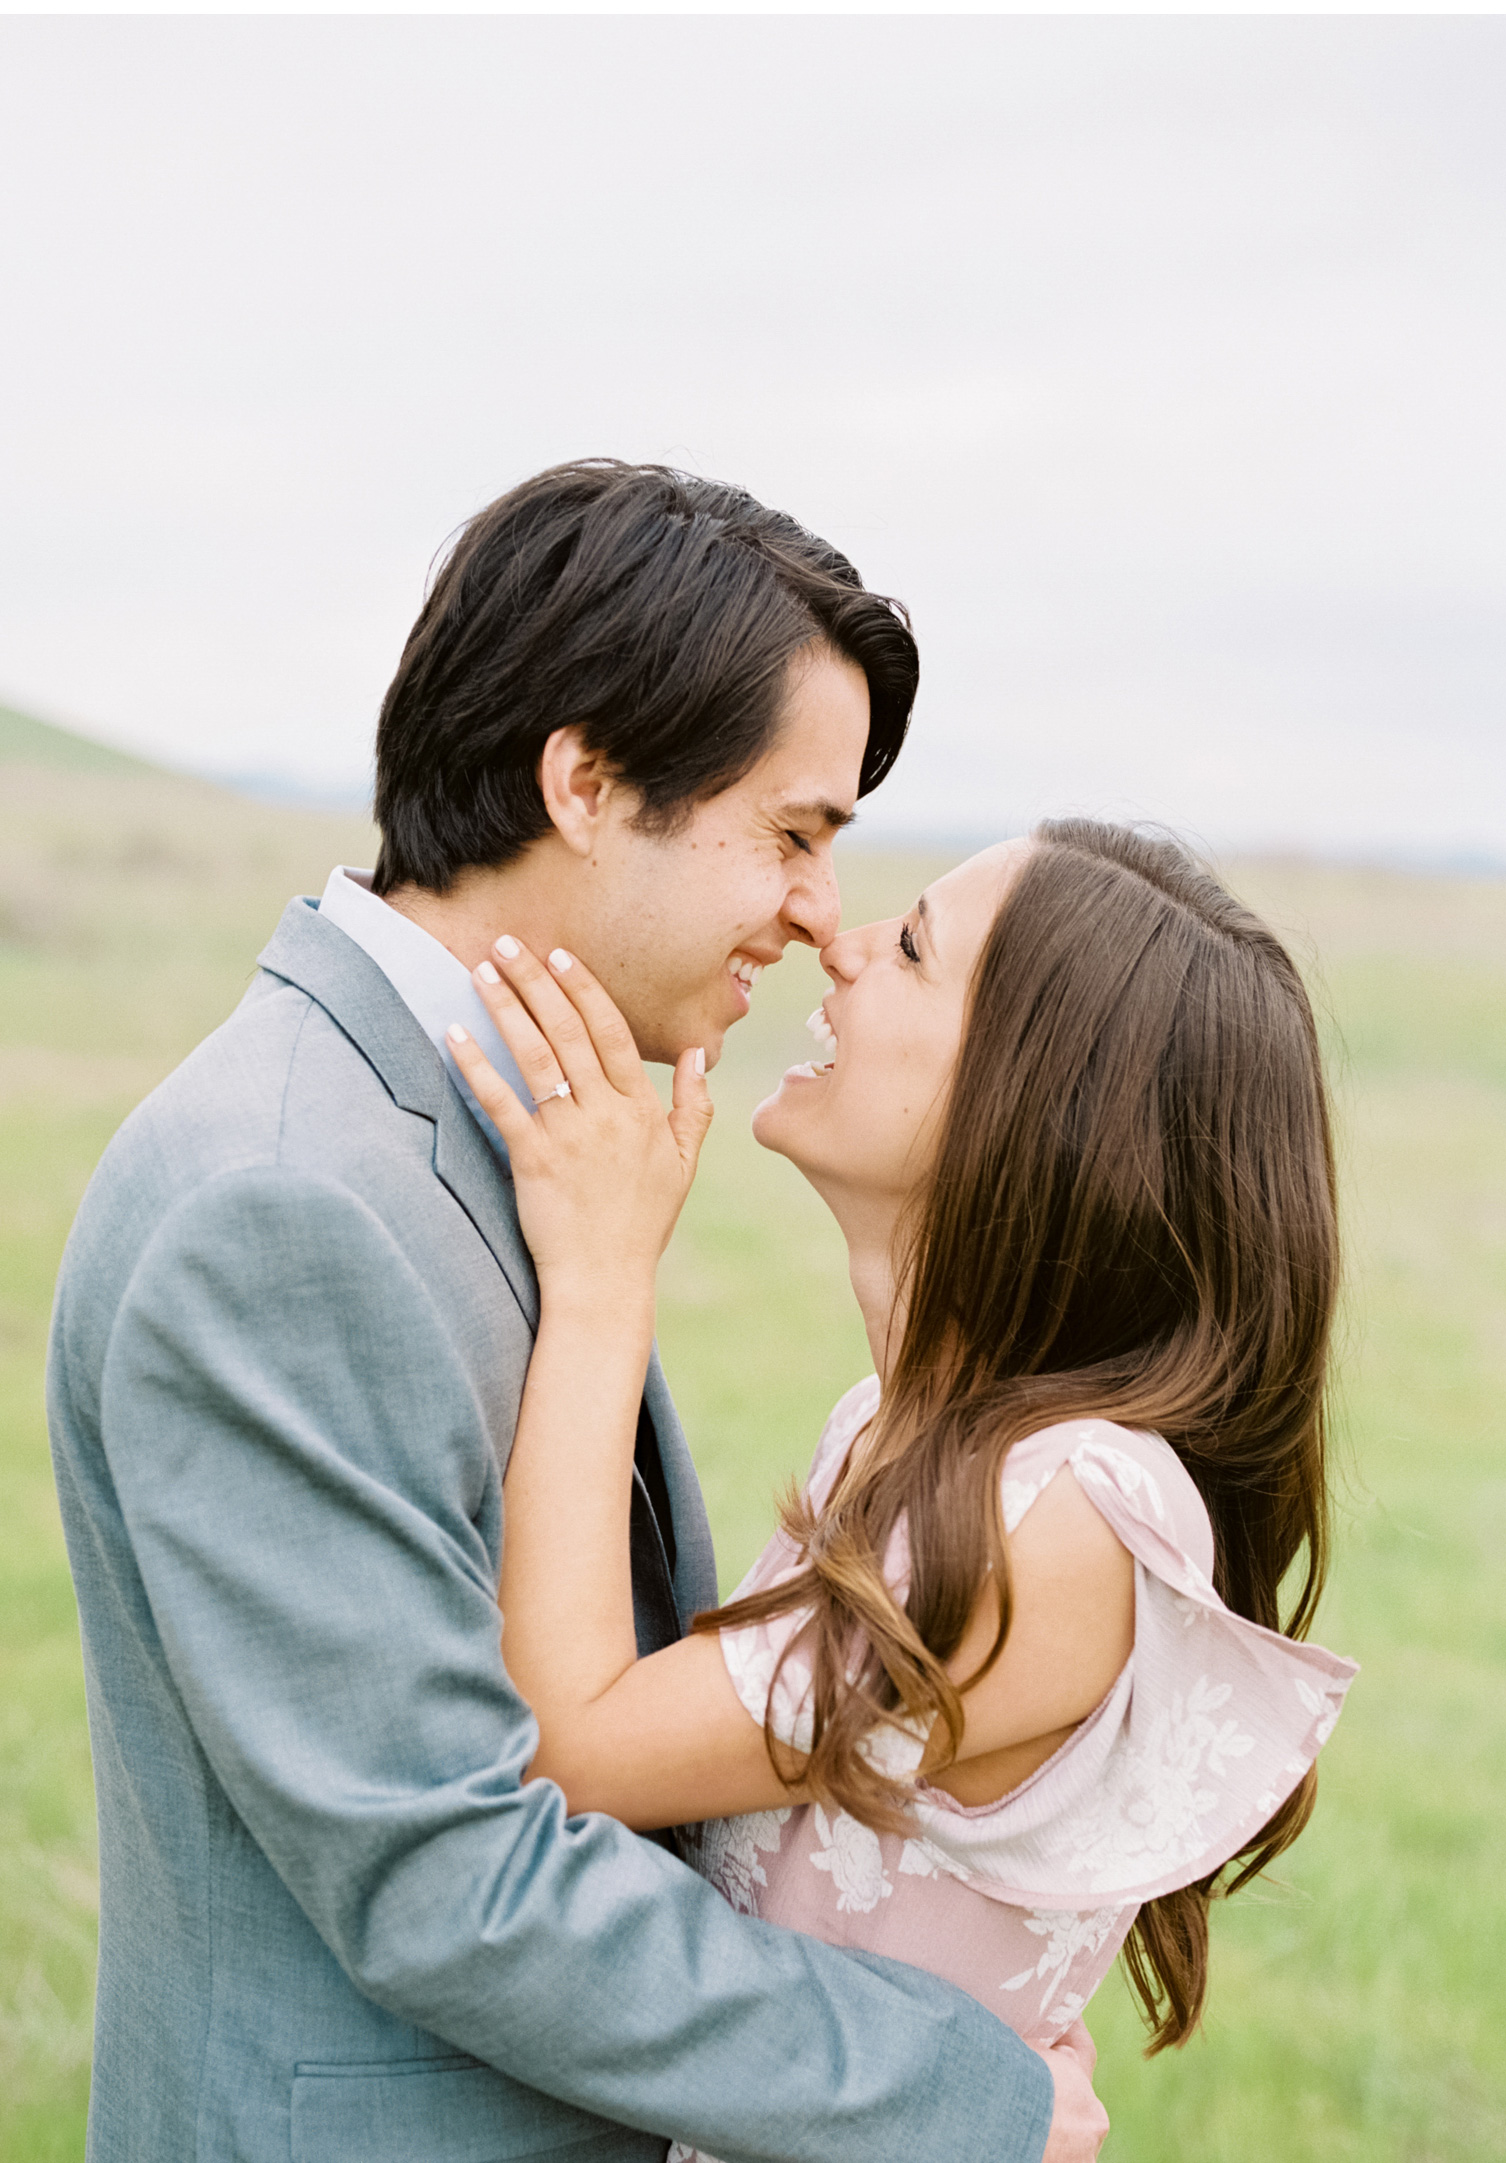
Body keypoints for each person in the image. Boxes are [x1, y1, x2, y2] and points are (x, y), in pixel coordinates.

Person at [47, 461, 1103, 2162]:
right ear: (588, 782)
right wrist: (957, 2089)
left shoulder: (510, 1128)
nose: (819, 914)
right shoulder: (286, 1198)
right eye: (791, 834)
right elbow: (444, 1872)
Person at [446, 819, 1359, 2163]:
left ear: (1033, 1098)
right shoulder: (895, 1431)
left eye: (914, 946)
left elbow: (568, 1750)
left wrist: (598, 1278)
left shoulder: (1057, 1509)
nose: (842, 941)